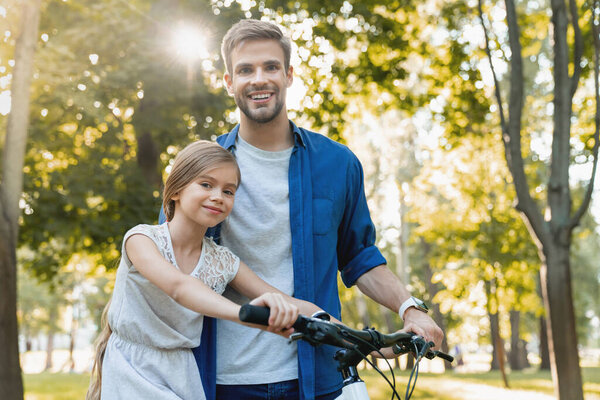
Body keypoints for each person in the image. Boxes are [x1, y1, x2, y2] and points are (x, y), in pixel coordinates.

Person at [164, 19, 444, 400]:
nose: (258, 79)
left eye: (270, 67)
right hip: (220, 379)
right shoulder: (202, 169)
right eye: (245, 70)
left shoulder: (338, 163)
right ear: (229, 82)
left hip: (316, 375)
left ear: (289, 75)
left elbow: (360, 256)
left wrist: (410, 308)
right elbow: (166, 257)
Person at [86, 141, 326, 400]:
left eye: (229, 191)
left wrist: (359, 339)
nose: (218, 197)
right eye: (206, 185)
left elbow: (289, 301)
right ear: (176, 190)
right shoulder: (142, 240)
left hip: (183, 372)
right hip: (132, 368)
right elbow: (180, 287)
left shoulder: (222, 261)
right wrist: (246, 314)